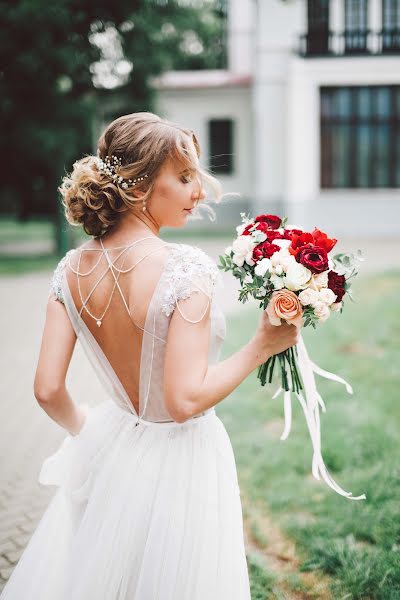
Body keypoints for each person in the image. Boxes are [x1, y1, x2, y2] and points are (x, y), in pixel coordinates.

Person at [0, 112, 299, 599]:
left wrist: (91, 433)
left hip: (118, 443)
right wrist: (262, 345)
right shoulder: (185, 267)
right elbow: (184, 401)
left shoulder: (69, 270)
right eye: (184, 178)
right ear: (138, 187)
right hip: (185, 456)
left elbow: (47, 390)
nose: (198, 191)